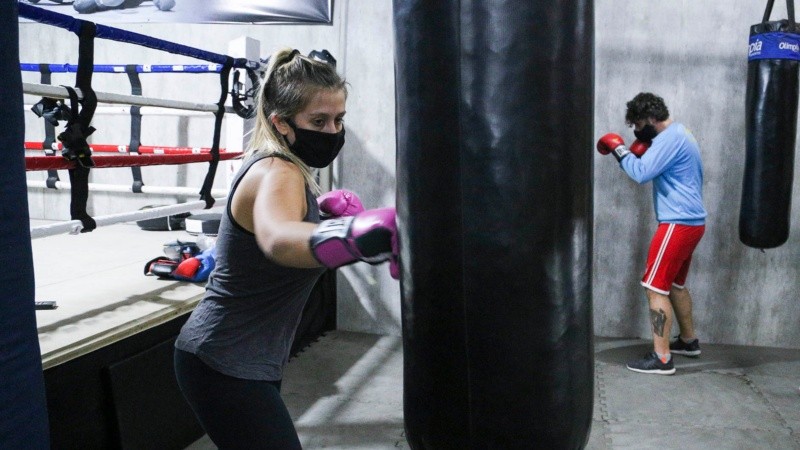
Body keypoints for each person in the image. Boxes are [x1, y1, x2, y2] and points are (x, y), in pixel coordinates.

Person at [173, 48, 398, 448]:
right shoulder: (279, 171)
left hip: (245, 357)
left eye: (339, 119)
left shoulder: (282, 166)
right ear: (281, 122)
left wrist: (323, 217)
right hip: (223, 360)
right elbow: (278, 239)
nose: (332, 132)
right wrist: (352, 236)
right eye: (318, 121)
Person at [596, 92, 706, 375]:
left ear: (650, 118)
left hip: (677, 223)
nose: (636, 130)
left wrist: (619, 150)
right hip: (693, 222)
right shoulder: (681, 133)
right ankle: (689, 341)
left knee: (655, 287)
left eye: (637, 124)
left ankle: (662, 358)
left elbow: (640, 173)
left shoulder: (668, 139)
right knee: (676, 285)